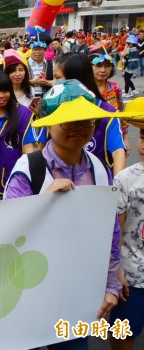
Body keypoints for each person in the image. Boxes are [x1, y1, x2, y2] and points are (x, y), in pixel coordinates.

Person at [4, 82, 121, 350]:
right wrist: (44, 199)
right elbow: (9, 232)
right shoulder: (28, 170)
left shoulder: (100, 168)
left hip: (77, 292)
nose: (79, 129)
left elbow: (110, 231)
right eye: (69, 122)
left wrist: (111, 285)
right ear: (49, 124)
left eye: (86, 121)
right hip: (30, 291)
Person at [53, 53, 126, 177]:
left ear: (74, 79)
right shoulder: (53, 109)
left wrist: (117, 187)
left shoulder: (106, 113)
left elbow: (118, 152)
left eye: (57, 77)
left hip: (96, 188)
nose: (53, 83)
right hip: (59, 186)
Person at [109, 99, 144, 350]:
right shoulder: (125, 179)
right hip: (132, 275)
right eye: (143, 136)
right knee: (123, 335)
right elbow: (116, 232)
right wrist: (114, 271)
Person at [90, 51, 130, 154]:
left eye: (107, 66)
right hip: (90, 139)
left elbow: (121, 113)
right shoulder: (84, 89)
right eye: (98, 66)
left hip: (112, 136)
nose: (103, 70)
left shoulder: (115, 88)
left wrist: (125, 138)